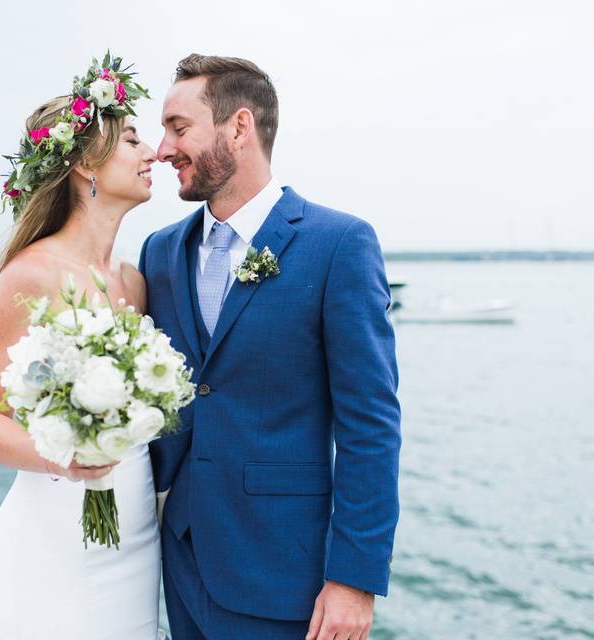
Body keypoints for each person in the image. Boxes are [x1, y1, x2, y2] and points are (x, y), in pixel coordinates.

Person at [139, 54, 402, 640]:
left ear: (238, 127)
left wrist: (354, 579)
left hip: (288, 576)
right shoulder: (159, 252)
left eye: (178, 128)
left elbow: (371, 424)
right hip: (181, 564)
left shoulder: (339, 244)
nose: (162, 149)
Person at [0, 55, 162, 639]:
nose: (151, 152)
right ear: (85, 163)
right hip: (57, 535)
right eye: (131, 139)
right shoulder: (30, 276)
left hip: (137, 526)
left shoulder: (133, 281)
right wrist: (66, 459)